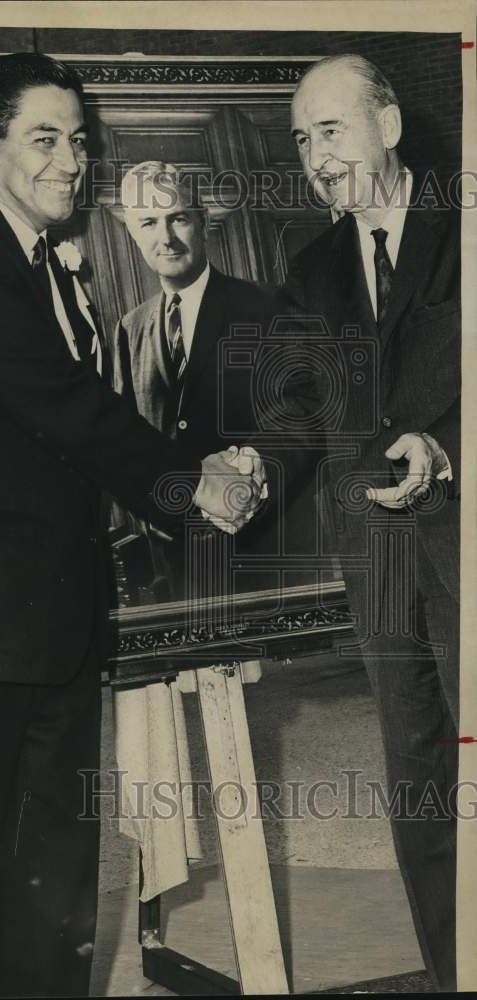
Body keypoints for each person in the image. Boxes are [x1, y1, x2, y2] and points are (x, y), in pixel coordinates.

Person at [0, 52, 262, 999]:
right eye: (43, 138)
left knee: (55, 878)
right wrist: (193, 483)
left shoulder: (41, 259)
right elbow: (63, 405)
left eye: (78, 140)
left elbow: (75, 422)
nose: (70, 160)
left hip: (54, 617)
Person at [285, 53, 460, 991]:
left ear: (388, 127)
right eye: (302, 138)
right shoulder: (308, 268)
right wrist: (237, 466)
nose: (317, 155)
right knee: (419, 788)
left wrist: (443, 445)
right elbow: (298, 411)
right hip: (378, 564)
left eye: (332, 129)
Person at [110, 160, 318, 600]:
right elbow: (124, 441)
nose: (164, 238)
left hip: (264, 557)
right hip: (177, 567)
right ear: (133, 232)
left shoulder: (267, 306)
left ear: (202, 223)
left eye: (177, 218)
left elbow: (301, 414)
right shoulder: (130, 329)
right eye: (148, 222)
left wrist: (254, 473)